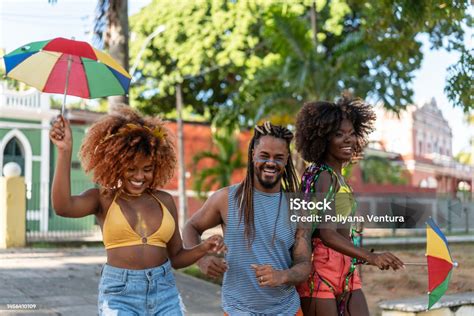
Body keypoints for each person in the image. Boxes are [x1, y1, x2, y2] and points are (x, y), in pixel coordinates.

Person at [49, 105, 225, 316]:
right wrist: (64, 151)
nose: (139, 176)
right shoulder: (103, 198)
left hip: (164, 292)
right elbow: (63, 207)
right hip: (120, 294)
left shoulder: (165, 201)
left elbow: (176, 257)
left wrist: (203, 248)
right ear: (116, 164)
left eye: (147, 169)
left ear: (157, 164)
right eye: (131, 168)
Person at [183, 121, 311, 315]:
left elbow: (304, 264)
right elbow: (191, 227)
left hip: (286, 310)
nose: (271, 163)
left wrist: (282, 276)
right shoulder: (226, 199)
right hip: (237, 310)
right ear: (253, 155)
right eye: (264, 156)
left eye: (279, 157)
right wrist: (202, 259)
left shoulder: (298, 206)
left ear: (286, 161)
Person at [294, 97, 405, 316]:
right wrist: (371, 256)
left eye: (352, 133)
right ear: (322, 138)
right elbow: (327, 233)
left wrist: (366, 250)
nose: (348, 140)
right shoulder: (323, 175)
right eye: (338, 134)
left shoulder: (339, 178)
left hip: (347, 266)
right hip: (321, 267)